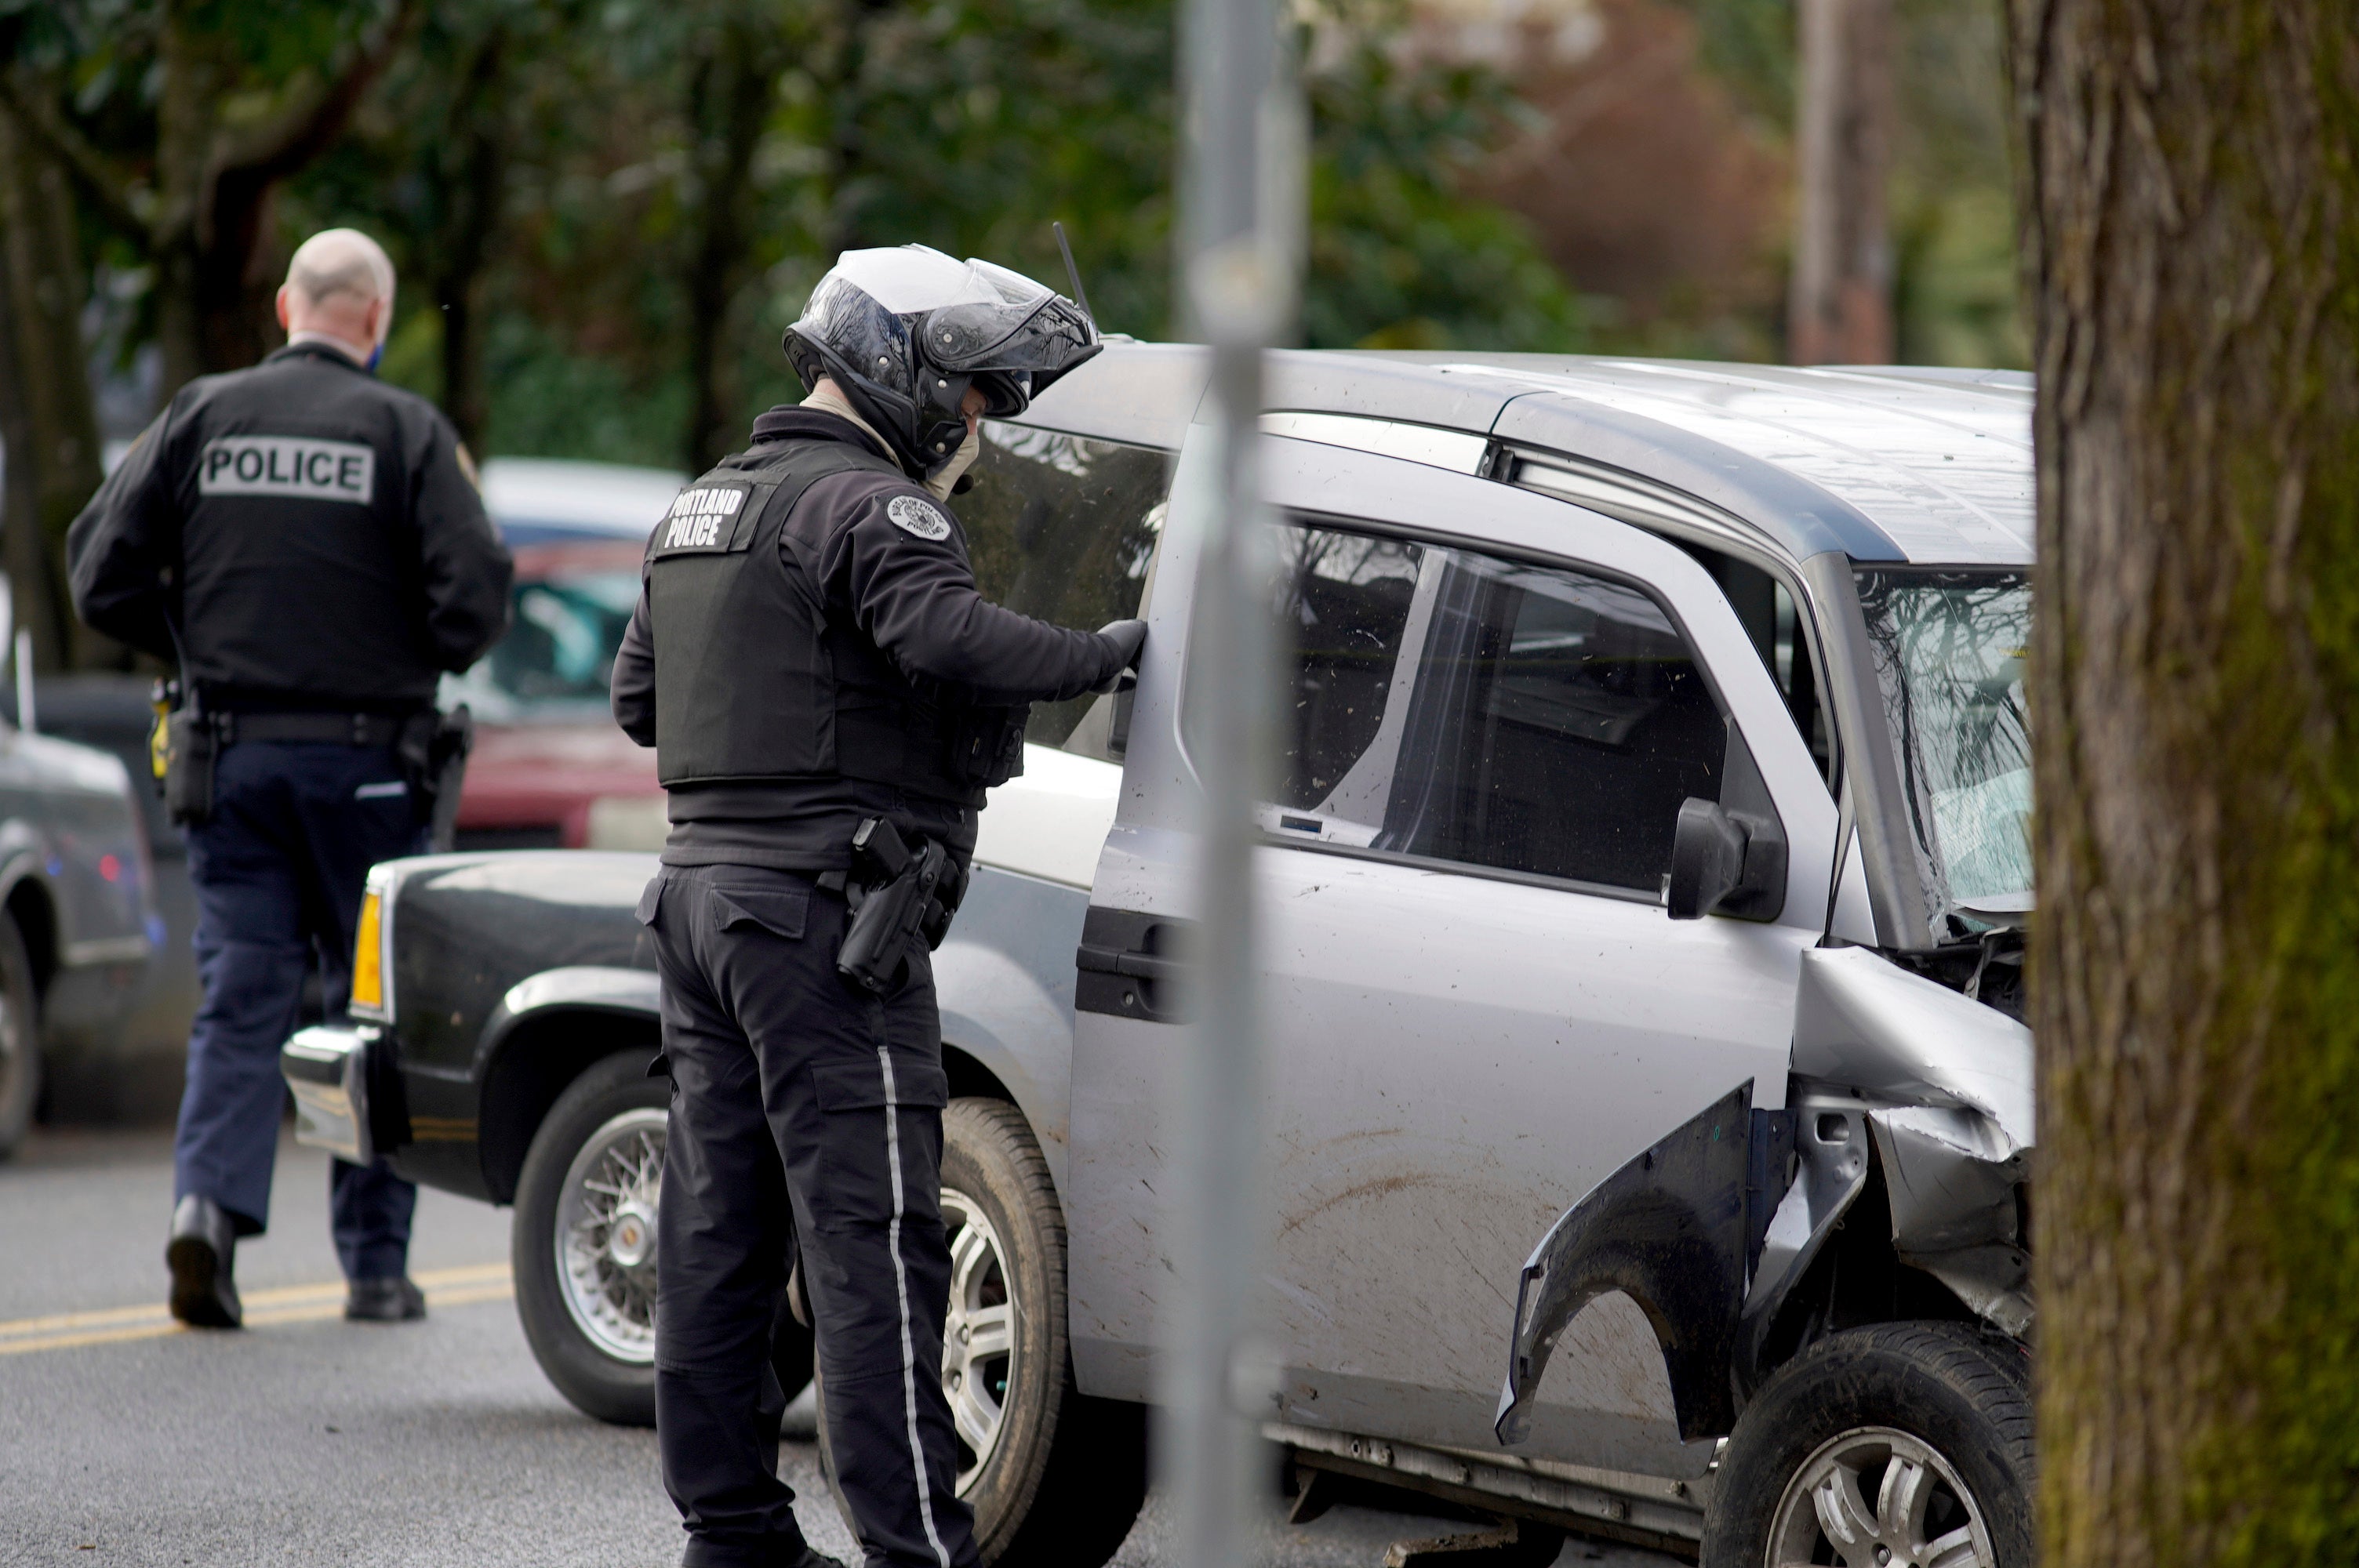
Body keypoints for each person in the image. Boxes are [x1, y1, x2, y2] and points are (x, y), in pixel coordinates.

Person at [609, 245, 1146, 1568]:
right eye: (968, 396)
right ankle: (916, 1549)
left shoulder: (702, 507)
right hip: (819, 924)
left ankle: (730, 1535)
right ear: (900, 371)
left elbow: (639, 703)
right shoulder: (870, 510)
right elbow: (948, 638)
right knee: (871, 1243)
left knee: (720, 1231)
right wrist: (1109, 653)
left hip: (698, 909)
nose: (973, 426)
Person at [67, 228, 514, 1329]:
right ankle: (371, 1270)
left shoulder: (200, 416)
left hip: (233, 762)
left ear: (285, 309)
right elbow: (475, 605)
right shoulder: (407, 431)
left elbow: (97, 574)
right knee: (374, 1008)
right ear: (375, 316)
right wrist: (395, 642)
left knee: (239, 997)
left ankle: (207, 1220)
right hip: (371, 769)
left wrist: (194, 646)